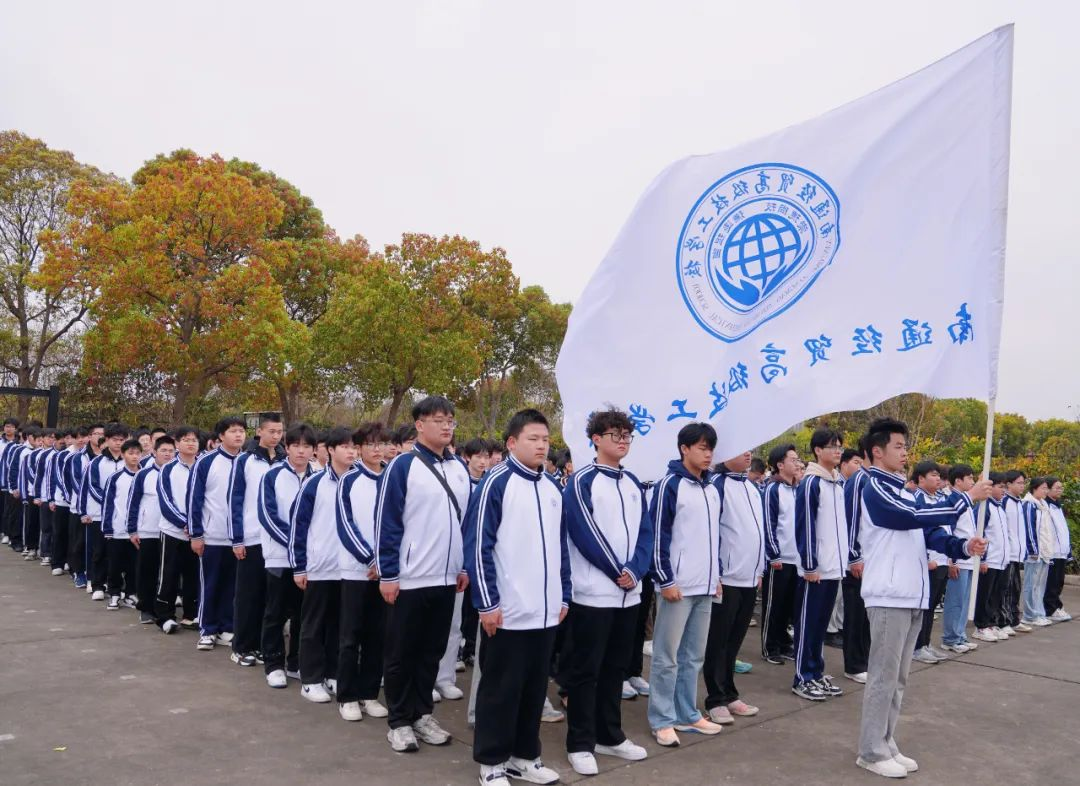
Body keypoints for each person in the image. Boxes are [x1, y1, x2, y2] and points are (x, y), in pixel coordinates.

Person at [855, 417, 989, 779]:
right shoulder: (873, 487)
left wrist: (963, 546)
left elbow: (930, 532)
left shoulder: (904, 491)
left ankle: (886, 742)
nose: (905, 453)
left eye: (905, 446)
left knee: (898, 678)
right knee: (883, 677)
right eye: (898, 446)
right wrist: (965, 498)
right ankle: (870, 750)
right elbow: (910, 517)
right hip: (888, 595)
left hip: (912, 594)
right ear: (877, 451)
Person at [464, 409, 568, 786]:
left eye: (545, 440)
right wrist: (488, 603)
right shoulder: (496, 482)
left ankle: (525, 757)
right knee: (500, 690)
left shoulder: (552, 487)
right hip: (508, 610)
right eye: (532, 439)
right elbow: (478, 546)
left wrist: (564, 596)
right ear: (511, 443)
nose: (541, 446)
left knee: (533, 689)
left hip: (545, 611)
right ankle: (492, 762)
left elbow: (561, 548)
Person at [375, 396, 471, 753]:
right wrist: (388, 574)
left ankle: (422, 714)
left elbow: (466, 524)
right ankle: (399, 721)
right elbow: (387, 523)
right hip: (411, 578)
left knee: (432, 651)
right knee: (402, 652)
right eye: (438, 420)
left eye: (450, 420)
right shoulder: (402, 466)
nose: (446, 426)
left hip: (447, 578)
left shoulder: (459, 469)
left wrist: (463, 565)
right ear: (419, 425)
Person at [561, 407, 652, 776]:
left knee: (616, 667)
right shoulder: (581, 481)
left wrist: (635, 570)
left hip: (629, 594)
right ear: (596, 439)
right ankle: (580, 742)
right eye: (616, 435)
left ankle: (609, 735)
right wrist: (618, 570)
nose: (623, 441)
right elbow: (584, 533)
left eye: (627, 436)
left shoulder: (632, 482)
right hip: (593, 593)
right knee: (586, 670)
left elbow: (646, 533)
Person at [647, 422, 725, 747]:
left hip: (704, 586)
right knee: (667, 656)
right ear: (684, 449)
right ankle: (662, 719)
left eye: (711, 449)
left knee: (694, 656)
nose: (708, 454)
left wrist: (716, 576)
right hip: (677, 587)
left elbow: (714, 537)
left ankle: (687, 713)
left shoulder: (711, 488)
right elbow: (657, 535)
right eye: (702, 448)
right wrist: (665, 579)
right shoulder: (670, 485)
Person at [291, 426, 353, 703]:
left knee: (340, 625)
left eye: (354, 447)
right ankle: (310, 679)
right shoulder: (314, 483)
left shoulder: (358, 481)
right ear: (330, 450)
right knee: (313, 625)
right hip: (320, 566)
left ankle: (333, 674)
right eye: (345, 446)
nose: (351, 452)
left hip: (349, 569)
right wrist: (299, 566)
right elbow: (298, 526)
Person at [334, 422, 391, 720]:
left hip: (385, 573)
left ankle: (369, 694)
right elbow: (346, 525)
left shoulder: (392, 477)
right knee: (350, 636)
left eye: (381, 443)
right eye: (370, 444)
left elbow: (398, 523)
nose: (377, 449)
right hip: (357, 571)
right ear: (359, 448)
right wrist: (370, 560)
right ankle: (347, 696)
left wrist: (386, 562)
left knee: (377, 636)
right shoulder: (349, 479)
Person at [703, 449, 765, 723]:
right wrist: (716, 573)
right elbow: (712, 531)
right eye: (741, 450)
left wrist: (759, 569)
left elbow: (759, 531)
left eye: (750, 449)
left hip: (749, 576)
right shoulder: (717, 484)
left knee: (734, 640)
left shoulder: (752, 487)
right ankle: (715, 698)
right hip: (726, 577)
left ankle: (730, 693)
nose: (748, 454)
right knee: (718, 641)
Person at [791, 429, 848, 701]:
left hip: (834, 567)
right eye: (832, 446)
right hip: (815, 569)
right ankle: (802, 677)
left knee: (821, 624)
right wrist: (810, 564)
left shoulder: (837, 483)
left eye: (839, 447)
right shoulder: (811, 483)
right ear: (817, 450)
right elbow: (805, 526)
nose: (837, 451)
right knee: (807, 623)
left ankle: (816, 672)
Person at [258, 423, 316, 686]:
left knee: (303, 613)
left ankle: (296, 662)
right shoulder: (272, 476)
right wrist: (294, 544)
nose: (301, 451)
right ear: (287, 447)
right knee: (276, 611)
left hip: (308, 559)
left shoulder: (319, 477)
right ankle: (273, 664)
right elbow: (268, 516)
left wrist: (306, 549)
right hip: (279, 556)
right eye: (296, 446)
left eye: (306, 446)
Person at [228, 413, 284, 667]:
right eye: (271, 431)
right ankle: (241, 646)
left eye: (279, 432)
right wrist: (237, 539)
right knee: (248, 596)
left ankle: (262, 646)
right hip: (251, 537)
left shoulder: (284, 460)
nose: (276, 436)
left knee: (270, 597)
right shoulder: (245, 460)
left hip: (278, 540)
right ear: (259, 431)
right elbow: (235, 499)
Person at [188, 416, 247, 651]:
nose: (238, 435)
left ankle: (226, 627)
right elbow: (194, 499)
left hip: (239, 539)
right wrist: (196, 534)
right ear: (221, 436)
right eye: (233, 431)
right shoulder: (206, 462)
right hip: (212, 535)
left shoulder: (248, 461)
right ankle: (207, 629)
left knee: (232, 586)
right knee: (210, 583)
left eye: (241, 430)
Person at [155, 426, 200, 633]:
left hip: (197, 533)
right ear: (177, 444)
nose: (191, 443)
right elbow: (166, 502)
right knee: (169, 574)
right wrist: (185, 523)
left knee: (193, 575)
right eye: (186, 440)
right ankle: (165, 616)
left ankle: (191, 614)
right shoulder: (168, 469)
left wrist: (196, 526)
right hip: (173, 531)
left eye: (194, 440)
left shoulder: (203, 466)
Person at [127, 435, 174, 623]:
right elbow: (133, 503)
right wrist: (132, 530)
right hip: (148, 530)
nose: (167, 454)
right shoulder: (143, 474)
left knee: (168, 573)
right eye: (163, 450)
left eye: (171, 451)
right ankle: (146, 608)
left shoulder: (177, 472)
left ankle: (165, 609)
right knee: (147, 570)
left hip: (172, 531)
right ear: (154, 452)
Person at [907, 461, 950, 664]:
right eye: (933, 475)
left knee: (932, 606)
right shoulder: (917, 498)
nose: (938, 478)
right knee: (924, 606)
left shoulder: (939, 497)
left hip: (942, 559)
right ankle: (916, 646)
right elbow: (919, 531)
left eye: (938, 475)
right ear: (921, 478)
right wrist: (927, 558)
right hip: (930, 561)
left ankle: (925, 643)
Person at [761, 443, 799, 665]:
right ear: (780, 464)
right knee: (773, 605)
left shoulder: (797, 489)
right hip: (779, 558)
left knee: (788, 606)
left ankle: (784, 643)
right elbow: (769, 523)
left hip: (796, 559)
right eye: (792, 460)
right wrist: (773, 554)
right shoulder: (773, 489)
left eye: (797, 460)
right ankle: (770, 646)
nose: (797, 463)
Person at [80, 424, 126, 599]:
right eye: (115, 439)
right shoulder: (96, 462)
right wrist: (110, 502)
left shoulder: (130, 462)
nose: (118, 443)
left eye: (122, 440)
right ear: (106, 440)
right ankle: (97, 584)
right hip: (99, 514)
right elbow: (91, 487)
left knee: (118, 553)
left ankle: (117, 587)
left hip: (122, 515)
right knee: (99, 550)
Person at [940, 465, 980, 653]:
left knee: (964, 601)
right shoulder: (953, 501)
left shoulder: (966, 501)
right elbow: (951, 532)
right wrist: (953, 561)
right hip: (959, 559)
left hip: (969, 558)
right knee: (955, 601)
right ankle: (950, 638)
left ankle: (960, 635)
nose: (973, 482)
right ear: (958, 480)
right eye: (969, 478)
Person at [841, 439, 872, 684]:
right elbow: (850, 520)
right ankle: (854, 664)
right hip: (858, 561)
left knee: (868, 615)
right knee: (856, 615)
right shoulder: (859, 480)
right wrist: (854, 556)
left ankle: (866, 659)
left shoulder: (875, 479)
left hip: (874, 560)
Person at [100, 438, 143, 610]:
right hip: (117, 529)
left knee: (135, 564)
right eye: (131, 453)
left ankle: (131, 593)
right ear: (123, 455)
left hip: (139, 530)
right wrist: (107, 528)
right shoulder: (115, 477)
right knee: (115, 564)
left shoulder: (145, 475)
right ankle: (114, 594)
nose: (134, 456)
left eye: (137, 453)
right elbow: (107, 503)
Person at [973, 473, 1011, 642]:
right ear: (990, 487)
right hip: (990, 561)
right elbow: (979, 533)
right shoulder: (984, 507)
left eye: (1004, 487)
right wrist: (982, 559)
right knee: (985, 595)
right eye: (1000, 486)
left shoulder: (1000, 507)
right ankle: (981, 626)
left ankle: (991, 623)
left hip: (1001, 560)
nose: (1003, 490)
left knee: (997, 594)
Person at [1020, 477, 1054, 627]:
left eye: (1047, 488)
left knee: (1040, 585)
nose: (1046, 491)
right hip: (1034, 552)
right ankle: (1029, 615)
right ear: (1034, 489)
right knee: (1031, 585)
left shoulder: (1043, 505)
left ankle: (1039, 613)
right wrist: (1033, 550)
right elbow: (1029, 529)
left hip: (1044, 551)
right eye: (1043, 488)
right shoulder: (1029, 505)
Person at [1000, 470, 1029, 634]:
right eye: (1019, 483)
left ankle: (1014, 619)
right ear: (1008, 484)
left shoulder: (1019, 503)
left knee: (1015, 588)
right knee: (1005, 589)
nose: (1022, 486)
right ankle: (1004, 621)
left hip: (1017, 553)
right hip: (1007, 554)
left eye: (1023, 483)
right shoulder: (1004, 501)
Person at [1043, 477, 1072, 621]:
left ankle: (1056, 606)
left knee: (1059, 582)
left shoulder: (1058, 506)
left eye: (1061, 487)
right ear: (1048, 489)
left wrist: (1068, 550)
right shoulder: (1046, 506)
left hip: (1061, 551)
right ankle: (1050, 609)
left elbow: (1063, 530)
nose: (1060, 490)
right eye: (1057, 487)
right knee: (1051, 582)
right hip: (1052, 551)